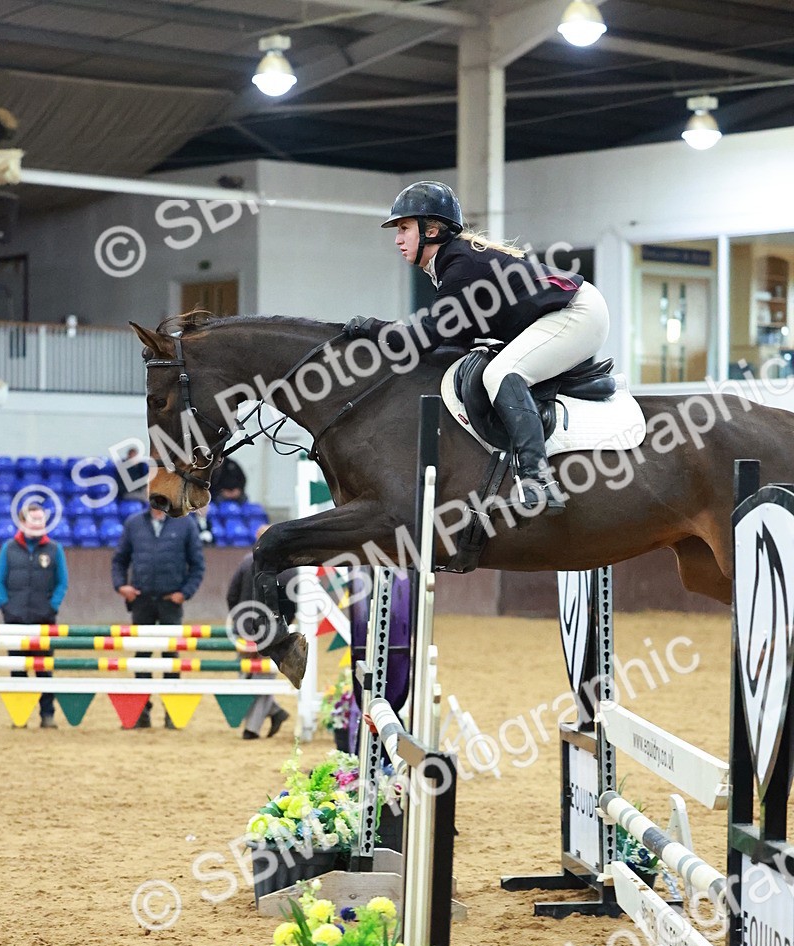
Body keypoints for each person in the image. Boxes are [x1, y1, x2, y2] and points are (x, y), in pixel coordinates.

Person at [344, 180, 611, 515]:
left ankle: (538, 480)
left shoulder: (460, 267)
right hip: (564, 311)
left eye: (405, 227)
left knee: (502, 373)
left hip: (577, 313)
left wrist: (371, 329)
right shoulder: (449, 265)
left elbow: (423, 338)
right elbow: (451, 342)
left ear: (433, 229)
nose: (397, 238)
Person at [111, 495, 205, 728]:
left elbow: (198, 564)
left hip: (170, 601)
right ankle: (141, 712)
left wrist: (185, 592)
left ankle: (171, 712)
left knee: (170, 657)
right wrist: (121, 585)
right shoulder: (133, 523)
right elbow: (119, 560)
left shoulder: (185, 523)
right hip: (141, 600)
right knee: (142, 657)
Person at [0, 500, 68, 728]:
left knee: (44, 669)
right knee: (18, 671)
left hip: (43, 621)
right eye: (33, 519)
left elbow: (62, 583)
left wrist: (51, 608)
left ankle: (48, 715)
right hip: (14, 621)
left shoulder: (55, 549)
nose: (37, 524)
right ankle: (20, 716)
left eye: (40, 519)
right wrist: (6, 607)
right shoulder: (9, 548)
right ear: (23, 521)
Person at [226, 525, 293, 740]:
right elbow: (292, 604)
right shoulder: (289, 569)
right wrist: (284, 627)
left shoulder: (246, 562)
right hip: (272, 632)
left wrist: (239, 623)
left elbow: (231, 595)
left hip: (246, 631)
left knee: (246, 676)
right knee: (261, 678)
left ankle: (252, 728)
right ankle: (273, 713)